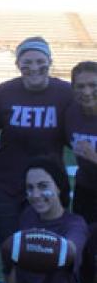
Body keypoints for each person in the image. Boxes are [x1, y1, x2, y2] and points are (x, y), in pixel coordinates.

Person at [0, 37, 73, 282]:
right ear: (18, 64)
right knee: (10, 250)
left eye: (40, 61)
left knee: (45, 252)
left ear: (50, 62)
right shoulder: (5, 91)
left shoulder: (65, 93)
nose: (34, 67)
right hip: (6, 183)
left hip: (49, 185)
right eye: (27, 62)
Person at [65, 61, 97, 224]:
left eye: (93, 85)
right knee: (84, 242)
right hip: (85, 189)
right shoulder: (71, 113)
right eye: (80, 86)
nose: (87, 92)